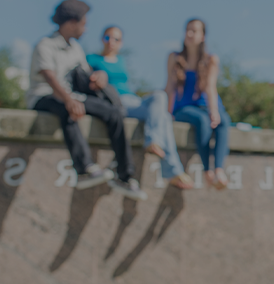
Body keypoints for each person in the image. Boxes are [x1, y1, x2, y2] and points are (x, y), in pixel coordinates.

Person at [26, 0, 146, 200]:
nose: (86, 28)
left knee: (114, 113)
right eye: (83, 23)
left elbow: (84, 75)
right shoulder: (45, 45)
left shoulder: (75, 49)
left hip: (73, 96)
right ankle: (84, 169)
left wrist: (99, 78)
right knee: (68, 110)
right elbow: (49, 76)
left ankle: (125, 176)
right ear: (72, 22)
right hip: (44, 95)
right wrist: (68, 99)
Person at [87, 26, 195, 190]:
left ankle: (155, 143)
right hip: (115, 102)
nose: (112, 42)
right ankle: (172, 169)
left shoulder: (121, 61)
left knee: (160, 98)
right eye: (108, 38)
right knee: (164, 117)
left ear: (121, 43)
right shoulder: (92, 59)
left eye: (116, 39)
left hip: (132, 100)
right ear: (102, 39)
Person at [166, 18, 232, 190]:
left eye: (194, 31)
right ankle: (207, 171)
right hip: (184, 108)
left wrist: (214, 110)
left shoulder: (211, 59)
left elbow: (211, 87)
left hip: (206, 104)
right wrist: (167, 112)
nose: (189, 34)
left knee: (223, 121)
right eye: (188, 30)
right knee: (203, 122)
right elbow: (170, 87)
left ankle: (219, 169)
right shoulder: (175, 58)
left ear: (202, 36)